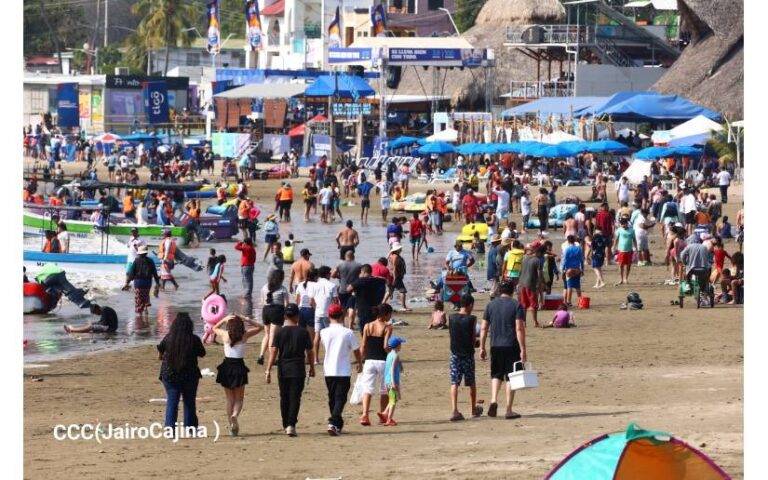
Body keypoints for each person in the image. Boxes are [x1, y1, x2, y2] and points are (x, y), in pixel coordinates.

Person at [265, 304, 315, 437]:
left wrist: (268, 370)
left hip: (283, 368)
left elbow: (273, 351)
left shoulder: (279, 332)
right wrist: (312, 367)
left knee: (284, 397)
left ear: (285, 316)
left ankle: (285, 423)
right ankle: (291, 425)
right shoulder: (303, 332)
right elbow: (310, 351)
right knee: (295, 397)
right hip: (298, 368)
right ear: (297, 316)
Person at [480, 280, 526, 419]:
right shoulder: (516, 305)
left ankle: (494, 399)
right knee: (511, 377)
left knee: (496, 374)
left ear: (499, 290)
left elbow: (484, 327)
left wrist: (482, 347)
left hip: (495, 345)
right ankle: (508, 410)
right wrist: (523, 349)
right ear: (512, 291)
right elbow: (519, 328)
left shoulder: (490, 305)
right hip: (512, 345)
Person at [213, 314, 263, 436]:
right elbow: (260, 327)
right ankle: (235, 415)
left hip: (226, 366)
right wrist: (246, 319)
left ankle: (231, 425)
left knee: (229, 399)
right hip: (239, 366)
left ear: (229, 325)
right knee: (239, 398)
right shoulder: (244, 335)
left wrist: (224, 319)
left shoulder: (225, 334)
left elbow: (214, 328)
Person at [157, 313, 206, 430]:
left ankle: (170, 428)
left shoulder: (169, 338)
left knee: (172, 400)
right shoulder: (194, 339)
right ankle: (190, 427)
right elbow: (202, 353)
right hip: (190, 373)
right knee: (189, 401)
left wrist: (161, 356)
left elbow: (160, 349)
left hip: (170, 373)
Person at [321, 303, 363, 436]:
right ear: (342, 315)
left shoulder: (324, 332)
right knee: (340, 398)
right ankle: (333, 422)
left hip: (329, 369)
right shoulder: (348, 332)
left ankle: (337, 424)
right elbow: (356, 350)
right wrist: (360, 363)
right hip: (343, 370)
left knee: (332, 397)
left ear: (329, 316)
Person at [447, 294, 482, 421]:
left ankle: (454, 410)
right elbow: (473, 338)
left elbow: (451, 334)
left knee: (454, 382)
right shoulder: (472, 319)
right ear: (470, 305)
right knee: (471, 382)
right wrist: (476, 343)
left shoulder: (451, 317)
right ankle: (473, 409)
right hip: (467, 354)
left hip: (455, 353)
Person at [359, 303, 394, 426]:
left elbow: (363, 345)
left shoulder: (367, 326)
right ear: (385, 314)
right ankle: (382, 415)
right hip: (383, 361)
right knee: (384, 390)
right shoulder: (387, 327)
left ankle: (365, 415)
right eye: (390, 314)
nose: (390, 317)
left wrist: (360, 361)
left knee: (368, 388)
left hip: (369, 361)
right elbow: (385, 346)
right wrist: (393, 354)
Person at [257, 268, 290, 366]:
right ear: (281, 278)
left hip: (266, 311)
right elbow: (286, 304)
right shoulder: (282, 289)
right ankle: (272, 358)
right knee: (273, 335)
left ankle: (261, 355)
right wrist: (286, 314)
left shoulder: (264, 287)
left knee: (267, 334)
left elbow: (262, 301)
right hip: (277, 311)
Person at [123, 245, 160, 318]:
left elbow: (131, 273)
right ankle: (145, 308)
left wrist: (127, 282)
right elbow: (155, 273)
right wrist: (157, 283)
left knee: (138, 298)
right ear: (146, 253)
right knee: (145, 296)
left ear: (139, 253)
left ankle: (139, 315)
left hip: (138, 283)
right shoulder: (150, 260)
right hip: (147, 283)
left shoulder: (136, 260)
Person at [348, 264, 387, 333]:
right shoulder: (378, 281)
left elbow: (348, 289)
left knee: (363, 328)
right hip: (375, 308)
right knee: (372, 328)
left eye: (361, 272)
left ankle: (365, 339)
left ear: (363, 272)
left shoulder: (361, 281)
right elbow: (384, 280)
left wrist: (359, 279)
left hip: (363, 309)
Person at [312, 266, 339, 363]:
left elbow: (312, 300)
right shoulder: (332, 285)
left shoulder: (314, 285)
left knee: (317, 335)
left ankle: (316, 359)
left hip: (318, 312)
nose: (330, 275)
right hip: (329, 314)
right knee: (330, 336)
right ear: (327, 274)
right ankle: (329, 357)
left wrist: (316, 308)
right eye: (330, 273)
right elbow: (336, 301)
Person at [382, 336, 405, 426]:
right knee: (393, 401)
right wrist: (393, 383)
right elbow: (392, 369)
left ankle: (385, 413)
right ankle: (389, 419)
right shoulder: (396, 356)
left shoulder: (389, 354)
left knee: (393, 399)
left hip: (386, 381)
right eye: (400, 344)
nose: (401, 346)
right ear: (398, 346)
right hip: (392, 381)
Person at [518, 246, 543, 328]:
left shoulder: (524, 258)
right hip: (531, 284)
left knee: (524, 304)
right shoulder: (537, 260)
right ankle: (535, 322)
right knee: (534, 304)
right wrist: (539, 285)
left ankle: (524, 322)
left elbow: (520, 271)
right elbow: (539, 275)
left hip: (522, 283)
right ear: (538, 253)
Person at [385, 243, 410, 312]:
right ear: (397, 249)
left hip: (392, 276)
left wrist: (390, 251)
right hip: (396, 276)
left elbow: (386, 259)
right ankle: (403, 306)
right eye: (400, 248)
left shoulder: (391, 255)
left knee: (390, 290)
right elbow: (394, 268)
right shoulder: (395, 256)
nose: (401, 249)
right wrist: (395, 278)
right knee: (403, 291)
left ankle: (382, 303)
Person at [560, 236, 584, 306]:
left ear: (568, 241)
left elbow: (564, 261)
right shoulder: (579, 249)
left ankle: (568, 301)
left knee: (569, 285)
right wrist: (582, 269)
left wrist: (562, 270)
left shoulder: (567, 249)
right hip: (577, 269)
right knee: (577, 286)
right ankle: (580, 301)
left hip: (569, 269)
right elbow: (581, 260)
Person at [613, 218, 637, 286]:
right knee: (621, 265)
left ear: (627, 223)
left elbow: (634, 239)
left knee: (628, 265)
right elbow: (616, 239)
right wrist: (614, 247)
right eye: (622, 224)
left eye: (624, 224)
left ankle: (625, 278)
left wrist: (636, 247)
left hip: (629, 250)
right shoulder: (619, 230)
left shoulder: (632, 230)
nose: (623, 225)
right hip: (621, 250)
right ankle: (621, 279)